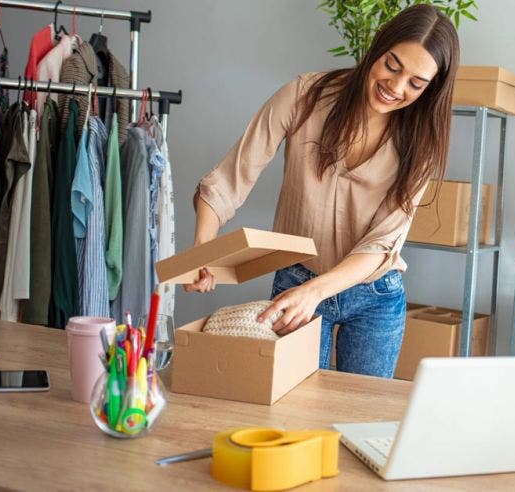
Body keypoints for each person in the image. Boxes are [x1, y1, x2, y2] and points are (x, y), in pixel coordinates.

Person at [186, 4, 459, 378]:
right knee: (293, 416)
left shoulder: (422, 143)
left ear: (432, 88)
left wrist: (317, 292)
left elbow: (382, 244)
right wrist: (204, 247)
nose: (396, 87)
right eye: (392, 66)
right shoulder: (305, 96)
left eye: (416, 82)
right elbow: (231, 176)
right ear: (377, 49)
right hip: (296, 280)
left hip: (374, 297)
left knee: (360, 421)